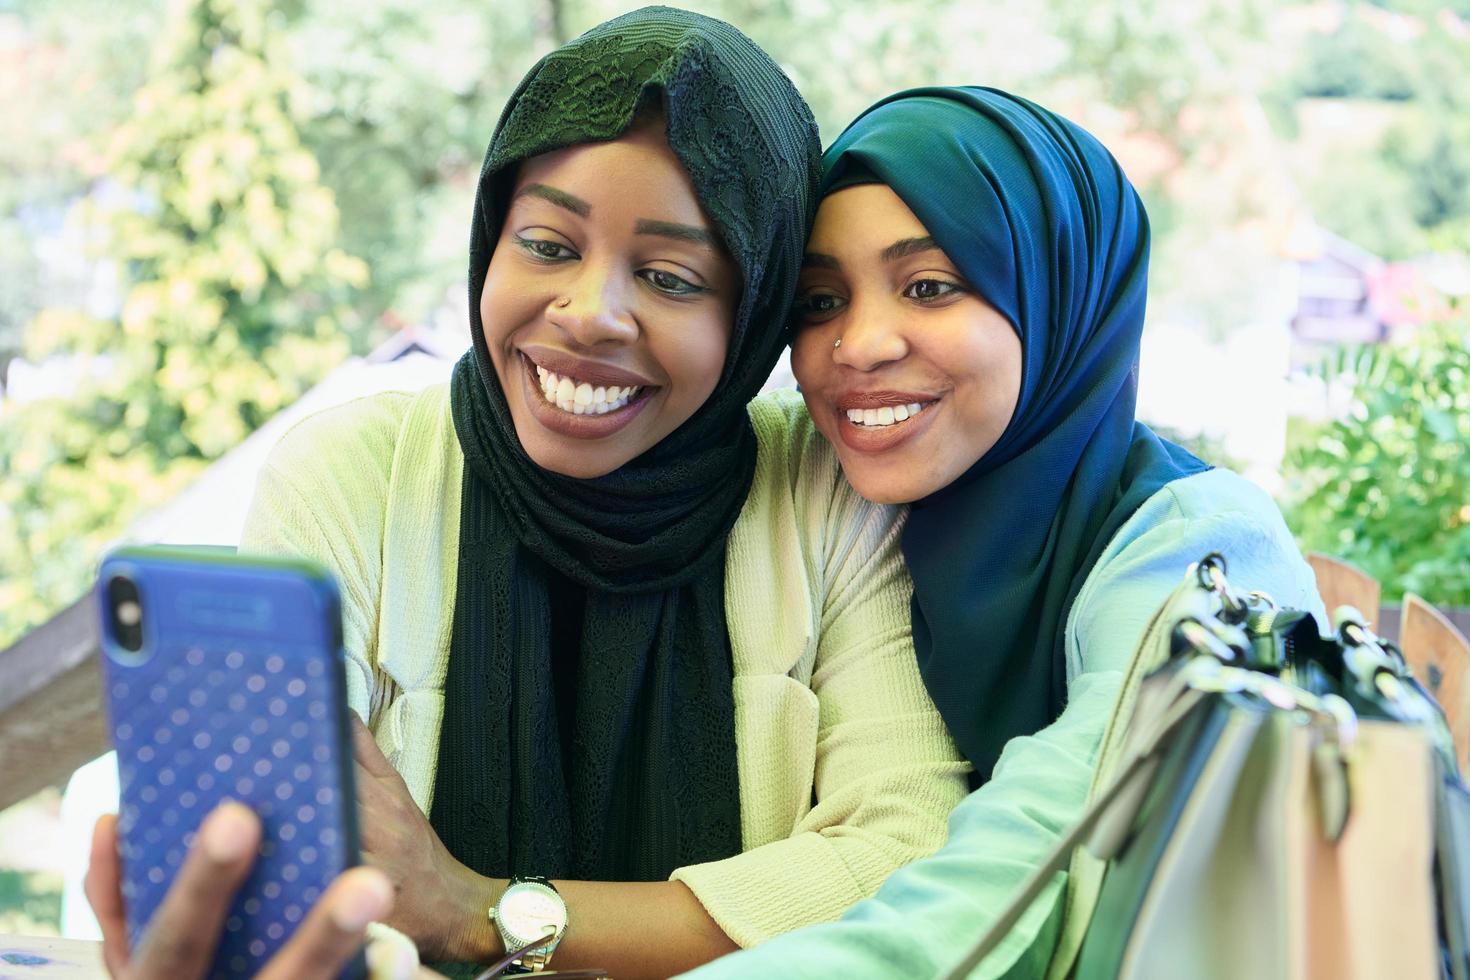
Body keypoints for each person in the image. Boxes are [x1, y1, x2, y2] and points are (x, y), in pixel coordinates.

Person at [87, 10, 969, 979]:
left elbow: (906, 865)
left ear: (754, 307)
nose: (589, 312)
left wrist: (480, 910)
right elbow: (295, 873)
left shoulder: (824, 491)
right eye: (548, 243)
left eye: (671, 275)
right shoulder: (351, 476)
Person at [682, 86, 1325, 978]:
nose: (858, 344)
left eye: (931, 286)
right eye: (819, 302)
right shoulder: (847, 514)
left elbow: (1029, 872)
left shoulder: (1194, 545)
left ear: (1059, 293)